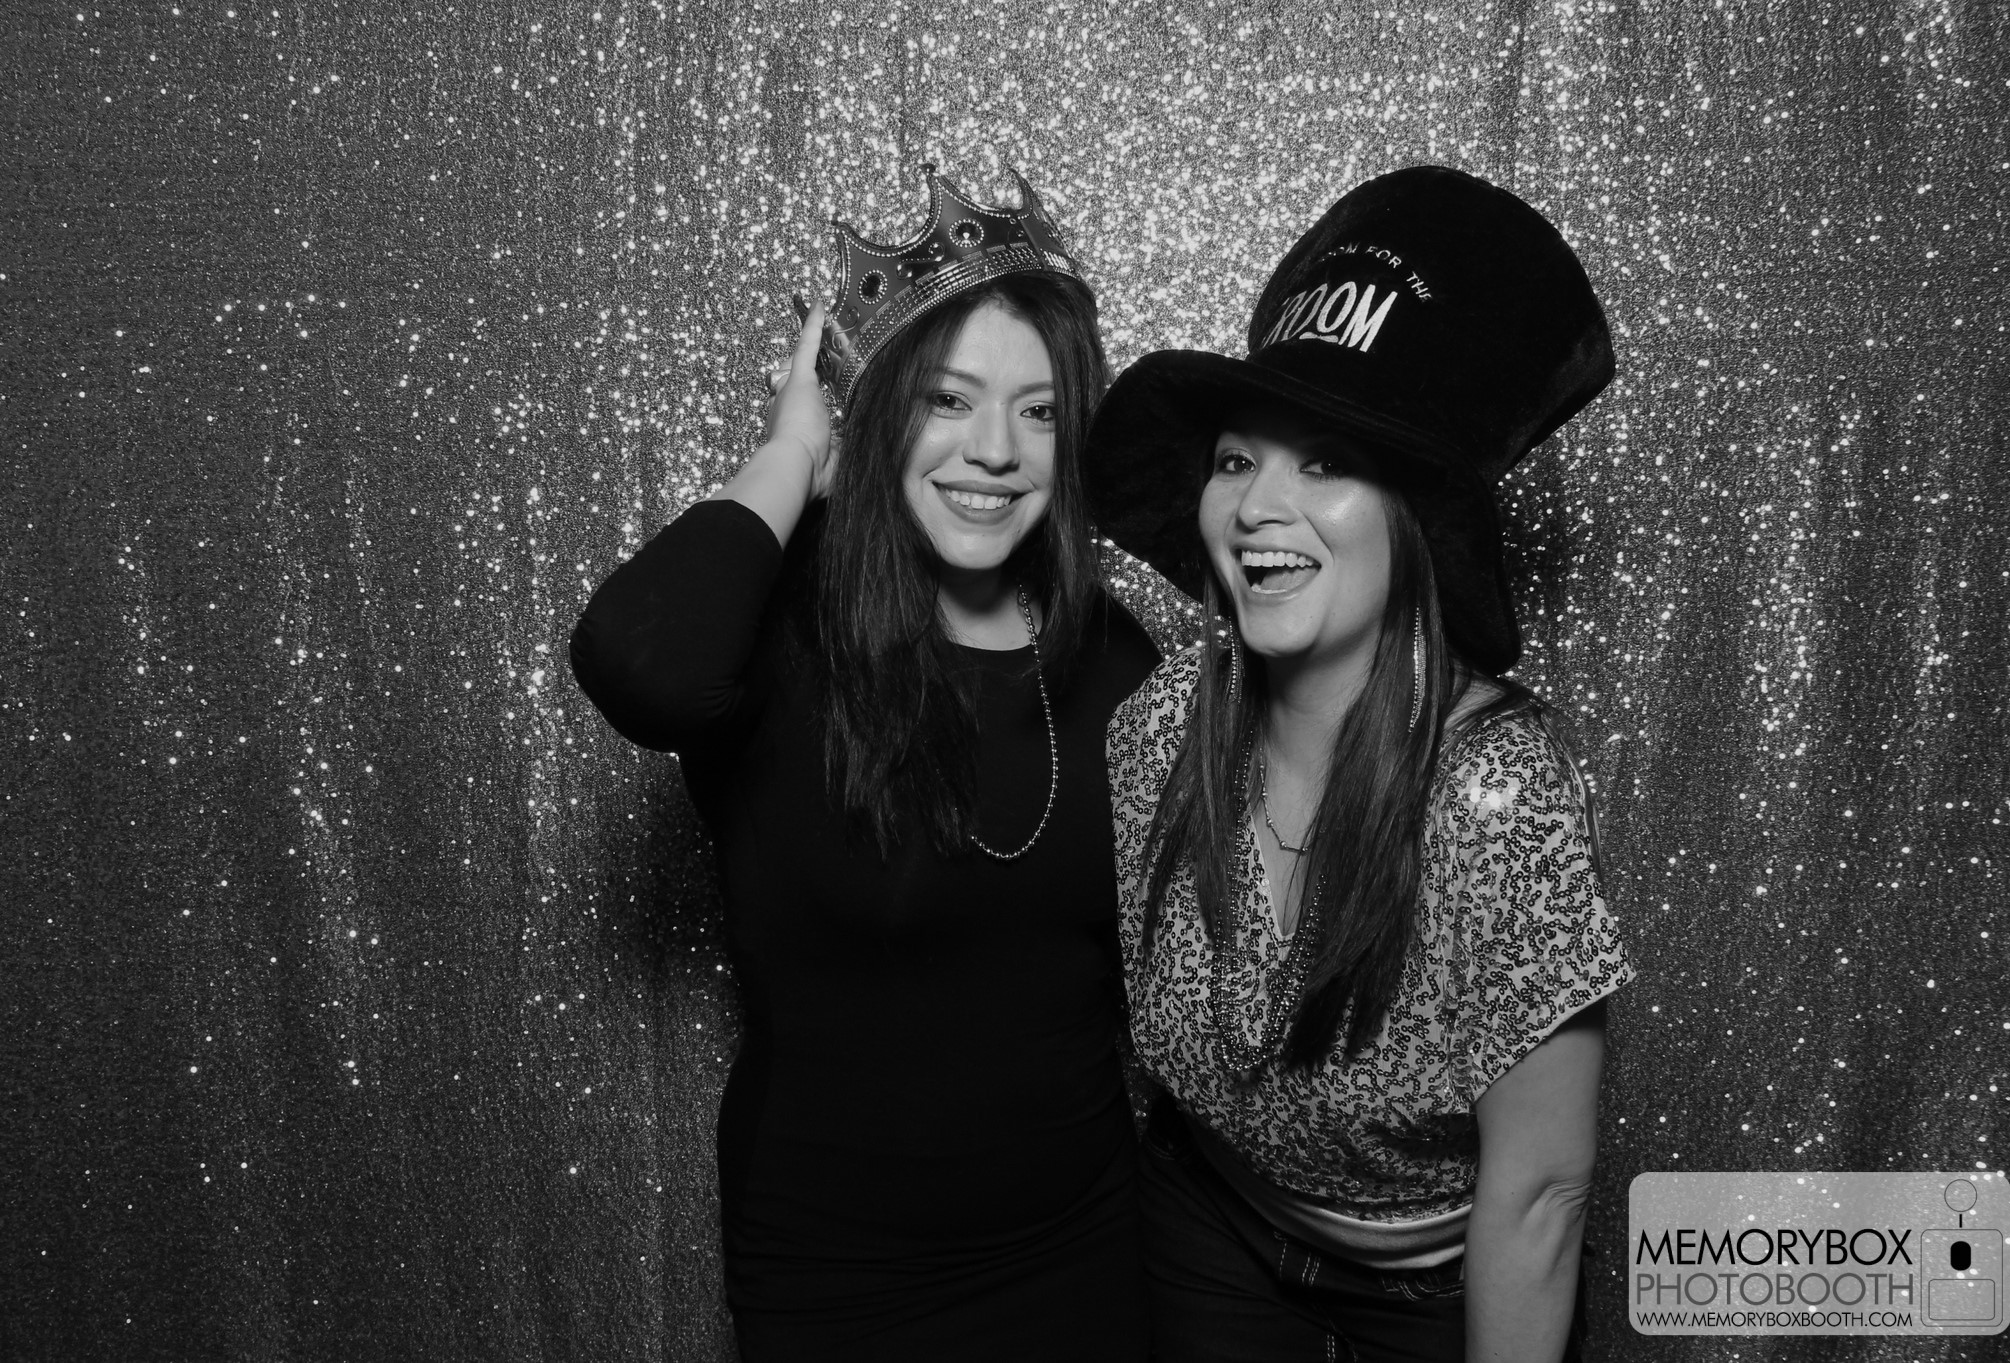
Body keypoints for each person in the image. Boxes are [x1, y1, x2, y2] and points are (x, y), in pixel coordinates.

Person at [571, 167, 1157, 1359]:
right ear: (877, 415)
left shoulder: (1110, 654)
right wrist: (793, 455)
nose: (994, 451)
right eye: (946, 400)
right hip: (838, 1277)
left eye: (1039, 412)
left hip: (1084, 1248)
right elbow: (636, 664)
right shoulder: (775, 634)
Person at [1082, 166, 1634, 1362]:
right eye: (1235, 460)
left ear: (1411, 518)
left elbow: (1540, 1190)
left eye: (1325, 463)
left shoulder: (1499, 796)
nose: (1256, 507)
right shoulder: (1157, 726)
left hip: (1431, 1289)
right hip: (1204, 1223)